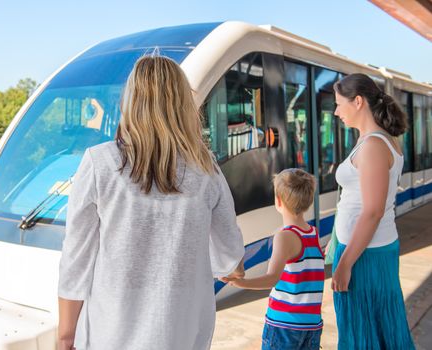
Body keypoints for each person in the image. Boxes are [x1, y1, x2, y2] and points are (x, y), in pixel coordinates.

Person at [57, 55, 245, 350]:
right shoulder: (207, 169)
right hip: (183, 336)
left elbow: (75, 261)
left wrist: (65, 335)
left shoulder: (100, 163)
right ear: (184, 106)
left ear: (129, 102)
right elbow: (231, 262)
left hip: (109, 337)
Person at [332, 73, 415, 349]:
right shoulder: (373, 140)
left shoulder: (374, 146)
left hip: (364, 256)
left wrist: (344, 263)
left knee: (362, 332)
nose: (336, 111)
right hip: (366, 250)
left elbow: (373, 211)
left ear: (357, 102)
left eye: (339, 103)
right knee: (378, 328)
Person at [223, 168, 324, 350]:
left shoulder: (285, 237)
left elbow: (272, 278)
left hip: (284, 326)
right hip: (311, 325)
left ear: (278, 201)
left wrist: (241, 283)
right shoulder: (313, 233)